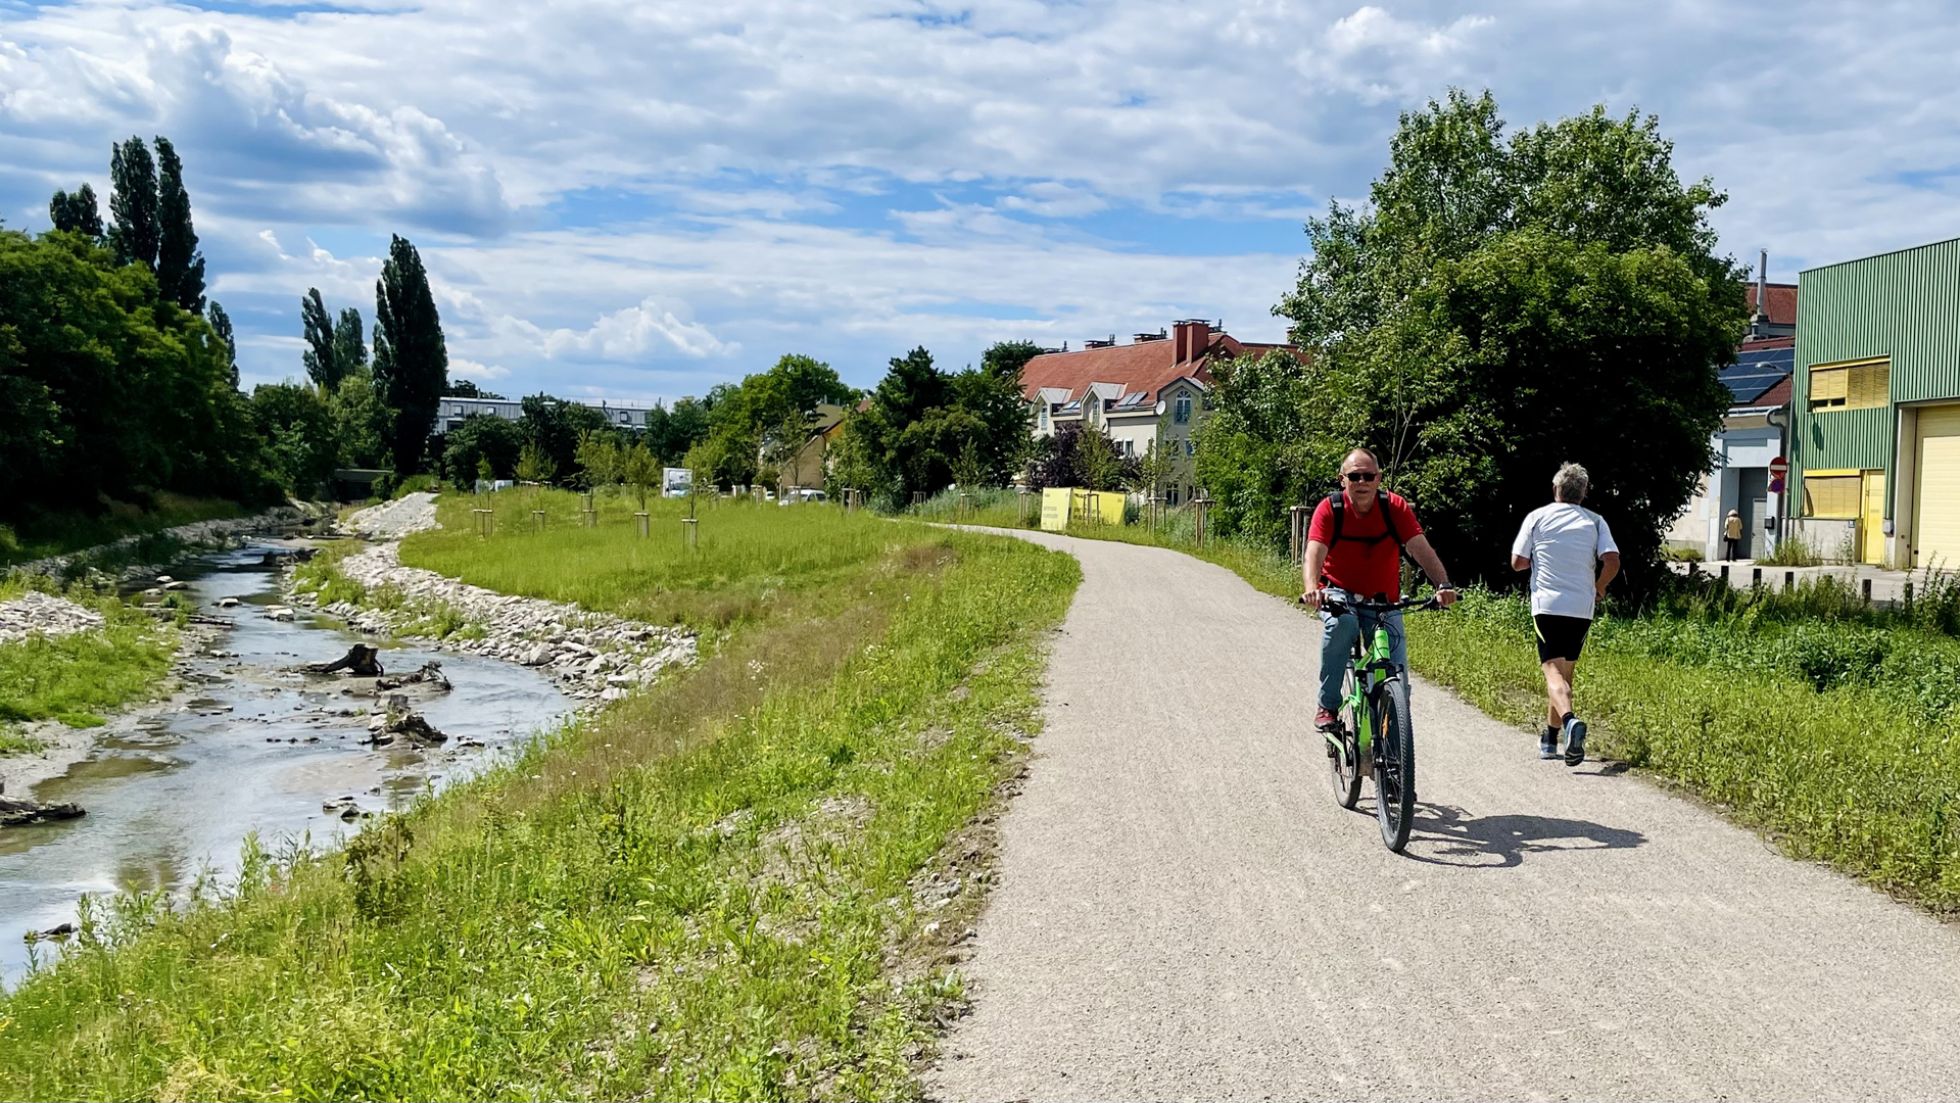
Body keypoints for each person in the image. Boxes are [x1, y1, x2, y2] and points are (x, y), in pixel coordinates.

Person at [1302, 448, 1459, 735]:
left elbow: (1421, 549)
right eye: (1354, 476)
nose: (1362, 482)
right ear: (1342, 480)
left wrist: (1443, 585)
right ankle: (1328, 705)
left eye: (1368, 476)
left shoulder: (1394, 507)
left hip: (1383, 600)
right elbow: (1315, 551)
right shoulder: (1331, 508)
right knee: (1342, 624)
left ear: (1379, 478)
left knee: (1395, 670)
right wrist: (1313, 589)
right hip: (1339, 593)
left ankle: (1391, 729)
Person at [1511, 462, 1620, 765]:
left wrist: (1540, 560)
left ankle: (1570, 721)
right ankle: (1550, 740)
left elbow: (1517, 562)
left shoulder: (1537, 517)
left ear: (1555, 489)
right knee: (1565, 673)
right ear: (1583, 493)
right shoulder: (1596, 522)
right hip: (1581, 608)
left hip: (1548, 605)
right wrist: (1599, 587)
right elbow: (1612, 560)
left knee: (1550, 669)